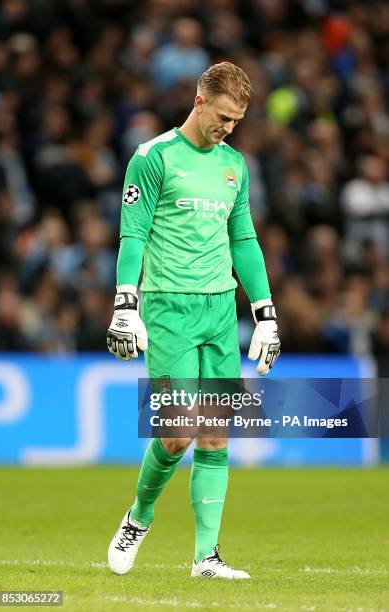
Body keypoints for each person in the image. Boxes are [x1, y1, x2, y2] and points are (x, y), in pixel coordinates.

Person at [106, 62, 280, 579]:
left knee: (215, 435)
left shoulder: (234, 166)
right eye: (224, 116)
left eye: (238, 120)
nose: (229, 127)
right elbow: (132, 234)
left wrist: (265, 312)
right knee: (179, 433)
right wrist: (124, 303)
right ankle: (138, 517)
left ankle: (206, 557)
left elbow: (243, 240)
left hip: (220, 310)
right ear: (199, 101)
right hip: (169, 307)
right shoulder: (153, 157)